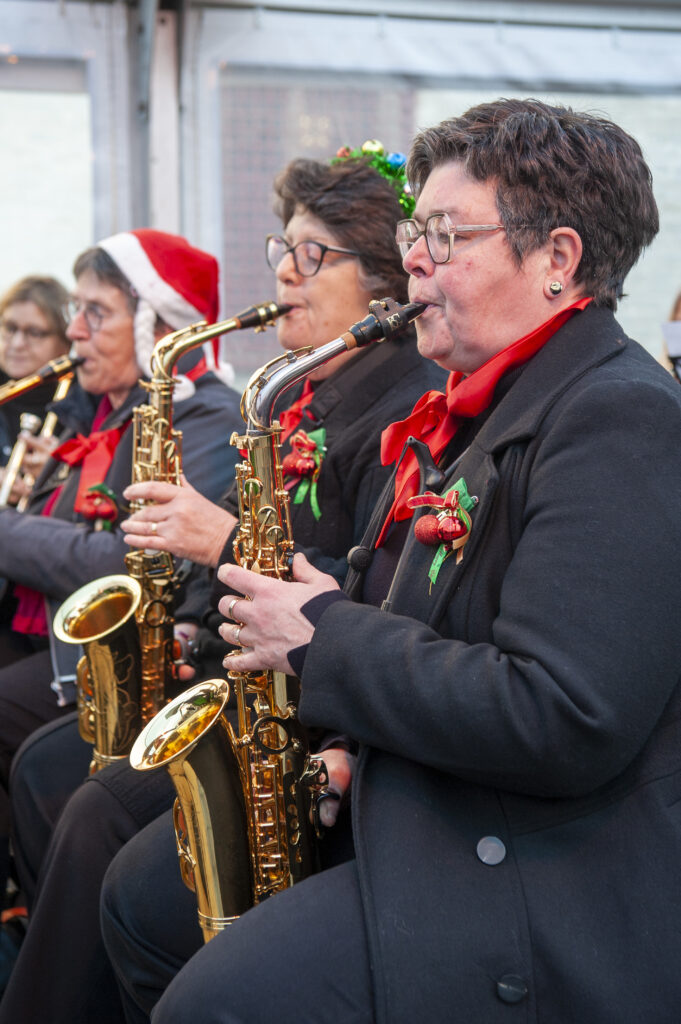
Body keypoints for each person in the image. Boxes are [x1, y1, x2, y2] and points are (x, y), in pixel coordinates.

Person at [100, 99, 681, 1024]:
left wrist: (323, 636)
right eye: (416, 232)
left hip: (543, 877)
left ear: (558, 262)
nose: (413, 258)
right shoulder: (491, 401)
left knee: (213, 1001)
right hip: (443, 806)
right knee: (139, 902)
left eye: (445, 235)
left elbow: (562, 715)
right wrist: (353, 750)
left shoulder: (620, 416)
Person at [0, 149, 446, 1023]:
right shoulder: (300, 393)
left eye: (313, 255)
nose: (282, 270)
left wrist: (215, 539)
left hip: (321, 710)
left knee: (93, 819)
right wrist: (196, 622)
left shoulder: (402, 404)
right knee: (64, 783)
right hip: (255, 675)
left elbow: (363, 584)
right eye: (285, 246)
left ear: (385, 282)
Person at [0, 228, 243, 913]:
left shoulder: (202, 419)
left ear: (158, 324)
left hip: (120, 662)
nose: (73, 331)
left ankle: (47, 927)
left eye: (95, 313)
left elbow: (121, 561)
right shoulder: (97, 414)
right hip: (51, 635)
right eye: (75, 310)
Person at [0, 275, 71, 491]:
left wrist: (57, 477)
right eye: (10, 328)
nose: (18, 344)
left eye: (35, 333)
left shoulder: (82, 405)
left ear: (65, 342)